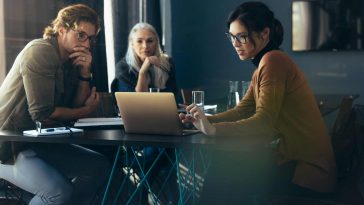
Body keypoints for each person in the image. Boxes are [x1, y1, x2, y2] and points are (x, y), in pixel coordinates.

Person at [180, 1, 337, 204]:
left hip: (308, 174)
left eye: (241, 36)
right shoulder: (266, 63)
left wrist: (213, 130)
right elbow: (242, 111)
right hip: (299, 166)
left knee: (225, 171)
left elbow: (264, 121)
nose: (235, 43)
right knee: (229, 167)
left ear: (264, 34)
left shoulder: (273, 62)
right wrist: (201, 121)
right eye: (231, 37)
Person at [0, 4, 110, 205]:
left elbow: (73, 110)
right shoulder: (40, 51)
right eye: (81, 35)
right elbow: (43, 114)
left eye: (91, 38)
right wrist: (86, 110)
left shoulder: (70, 59)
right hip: (9, 146)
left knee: (101, 168)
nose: (86, 44)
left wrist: (84, 74)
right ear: (62, 30)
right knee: (59, 192)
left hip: (39, 143)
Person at [112, 22, 178, 204]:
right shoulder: (123, 67)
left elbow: (175, 99)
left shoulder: (167, 64)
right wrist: (143, 72)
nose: (145, 46)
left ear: (156, 42)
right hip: (134, 133)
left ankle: (138, 195)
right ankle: (156, 198)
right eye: (139, 41)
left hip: (164, 127)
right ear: (132, 44)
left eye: (150, 41)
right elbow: (136, 107)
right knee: (162, 149)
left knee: (164, 147)